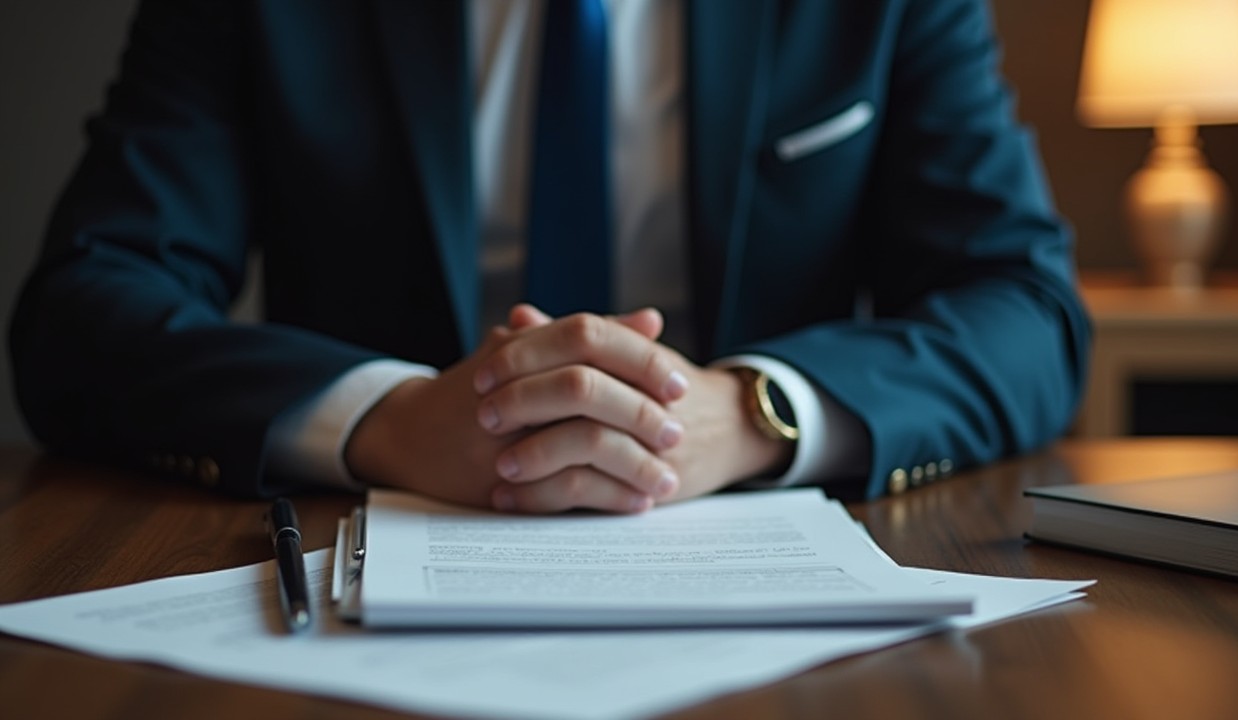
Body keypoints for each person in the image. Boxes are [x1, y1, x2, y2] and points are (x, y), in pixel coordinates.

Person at [8, 0, 1090, 514]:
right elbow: (86, 306)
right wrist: (381, 420)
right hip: (369, 574)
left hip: (762, 562)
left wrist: (751, 413)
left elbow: (1023, 307)